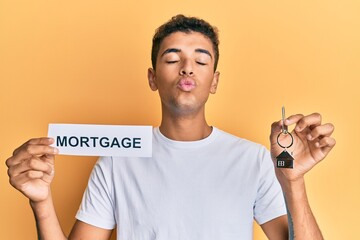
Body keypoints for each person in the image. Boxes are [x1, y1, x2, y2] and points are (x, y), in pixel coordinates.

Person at [6, 15, 335, 240]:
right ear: (152, 78)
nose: (187, 68)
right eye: (172, 58)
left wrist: (292, 179)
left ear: (214, 81)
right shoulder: (116, 162)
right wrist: (41, 202)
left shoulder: (255, 159)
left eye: (201, 60)